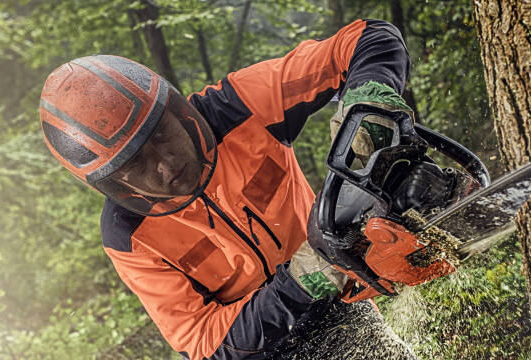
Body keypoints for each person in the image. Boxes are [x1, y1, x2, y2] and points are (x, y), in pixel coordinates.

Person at [39, 19, 418, 359]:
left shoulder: (237, 107)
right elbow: (203, 342)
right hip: (261, 346)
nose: (167, 164)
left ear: (173, 109)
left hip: (341, 294)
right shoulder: (128, 235)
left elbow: (366, 39)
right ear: (114, 181)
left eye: (162, 135)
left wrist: (369, 101)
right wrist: (302, 281)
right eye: (137, 164)